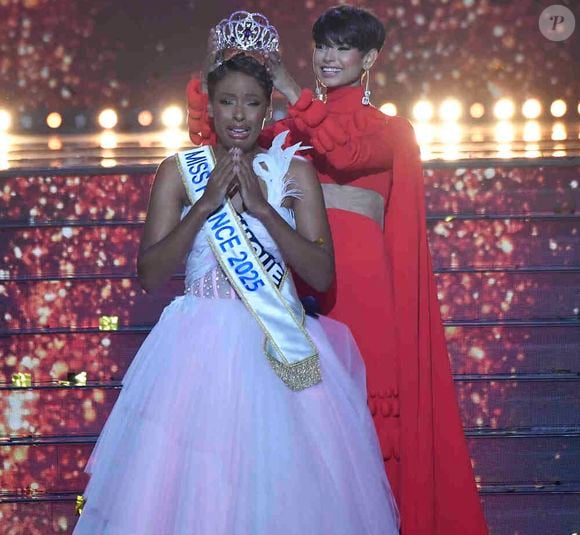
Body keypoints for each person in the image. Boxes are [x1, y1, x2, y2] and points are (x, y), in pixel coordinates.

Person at [72, 45, 400, 534]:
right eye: (227, 101)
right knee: (200, 491)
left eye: (251, 102)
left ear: (268, 109)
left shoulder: (295, 172)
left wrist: (264, 210)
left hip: (277, 346)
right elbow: (150, 274)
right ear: (211, 105)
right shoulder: (179, 172)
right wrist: (204, 206)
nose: (239, 114)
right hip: (193, 354)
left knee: (281, 494)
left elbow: (322, 274)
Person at [187, 5, 488, 535]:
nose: (329, 56)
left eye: (342, 47)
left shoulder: (391, 131)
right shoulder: (288, 129)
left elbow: (345, 155)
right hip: (300, 281)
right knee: (307, 419)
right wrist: (218, 67)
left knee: (369, 419)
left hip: (364, 287)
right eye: (322, 45)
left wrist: (291, 88)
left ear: (369, 57)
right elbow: (209, 134)